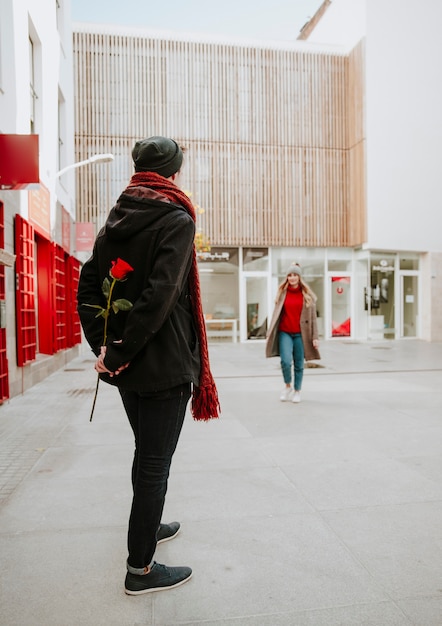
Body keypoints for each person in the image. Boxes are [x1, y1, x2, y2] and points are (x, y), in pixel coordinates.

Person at [77, 136, 219, 596]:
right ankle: (140, 569)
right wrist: (116, 351)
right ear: (172, 174)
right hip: (162, 366)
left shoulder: (116, 218)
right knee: (155, 463)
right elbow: (160, 297)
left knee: (147, 455)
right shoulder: (176, 219)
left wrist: (106, 347)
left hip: (128, 371)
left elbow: (88, 286)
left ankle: (148, 525)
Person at [265, 262, 320, 403]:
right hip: (285, 332)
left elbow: (313, 319)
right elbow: (276, 314)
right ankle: (287, 385)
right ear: (287, 278)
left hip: (301, 334)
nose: (292, 278)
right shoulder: (282, 293)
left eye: (295, 275)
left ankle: (297, 391)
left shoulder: (307, 295)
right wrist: (270, 332)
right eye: (290, 275)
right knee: (285, 361)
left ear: (299, 277)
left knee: (299, 364)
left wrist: (315, 337)